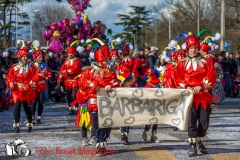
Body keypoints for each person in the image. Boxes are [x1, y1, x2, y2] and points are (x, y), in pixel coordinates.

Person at [72, 39, 120, 156]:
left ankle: (103, 143)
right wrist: (94, 85)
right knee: (98, 125)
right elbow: (81, 83)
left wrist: (110, 85)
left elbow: (116, 83)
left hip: (108, 103)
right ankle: (100, 147)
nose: (107, 62)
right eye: (105, 60)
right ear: (99, 60)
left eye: (108, 60)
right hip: (94, 103)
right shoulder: (89, 71)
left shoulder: (110, 72)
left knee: (108, 125)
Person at [174, 34, 216, 157]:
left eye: (195, 48)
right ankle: (192, 146)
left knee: (204, 122)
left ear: (198, 48)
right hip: (189, 97)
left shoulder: (207, 61)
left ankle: (200, 142)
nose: (193, 50)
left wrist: (201, 86)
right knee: (191, 122)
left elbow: (211, 75)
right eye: (191, 48)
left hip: (203, 96)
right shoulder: (181, 63)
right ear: (188, 48)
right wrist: (186, 87)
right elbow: (177, 79)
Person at [6, 48, 39, 133]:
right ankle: (16, 125)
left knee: (26, 107)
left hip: (27, 90)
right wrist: (10, 83)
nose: (25, 58)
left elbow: (35, 77)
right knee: (16, 106)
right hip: (17, 90)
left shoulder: (31, 67)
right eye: (23, 56)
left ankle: (29, 123)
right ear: (20, 57)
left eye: (26, 56)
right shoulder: (14, 67)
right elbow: (9, 77)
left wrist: (31, 83)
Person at [58, 46, 82, 115]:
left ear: (74, 53)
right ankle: (71, 108)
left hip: (75, 81)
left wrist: (67, 71)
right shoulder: (66, 61)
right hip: (67, 81)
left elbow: (76, 70)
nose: (69, 54)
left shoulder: (77, 61)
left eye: (71, 53)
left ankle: (76, 107)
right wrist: (60, 78)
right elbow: (62, 70)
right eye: (69, 53)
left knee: (74, 95)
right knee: (68, 96)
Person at [31, 50, 52, 124]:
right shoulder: (32, 66)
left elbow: (49, 74)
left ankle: (39, 117)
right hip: (34, 86)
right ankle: (32, 117)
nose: (41, 59)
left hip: (42, 86)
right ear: (36, 58)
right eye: (39, 57)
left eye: (41, 57)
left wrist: (47, 76)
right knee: (33, 102)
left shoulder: (45, 66)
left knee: (40, 102)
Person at [142, 68, 161, 143]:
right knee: (149, 120)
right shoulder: (148, 85)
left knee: (156, 120)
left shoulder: (158, 84)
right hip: (149, 105)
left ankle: (153, 135)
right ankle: (145, 133)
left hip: (157, 104)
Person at [117, 72, 135, 145]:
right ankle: (123, 137)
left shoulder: (133, 89)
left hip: (130, 108)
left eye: (131, 81)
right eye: (128, 81)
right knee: (123, 123)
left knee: (128, 123)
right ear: (123, 82)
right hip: (122, 108)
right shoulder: (119, 89)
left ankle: (126, 136)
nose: (130, 83)